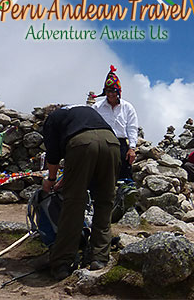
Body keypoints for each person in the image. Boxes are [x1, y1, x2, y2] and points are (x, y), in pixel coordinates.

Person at [41, 105, 120, 280]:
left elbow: (53, 155)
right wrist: (67, 177)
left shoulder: (52, 119)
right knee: (104, 201)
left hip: (82, 144)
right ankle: (98, 257)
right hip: (112, 143)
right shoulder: (82, 112)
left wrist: (51, 180)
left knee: (74, 204)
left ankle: (62, 263)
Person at [91, 65, 138, 181]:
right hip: (101, 144)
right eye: (108, 91)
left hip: (120, 144)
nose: (110, 94)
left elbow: (132, 128)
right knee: (99, 173)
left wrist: (132, 148)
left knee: (123, 174)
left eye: (113, 91)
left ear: (118, 92)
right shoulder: (97, 107)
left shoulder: (127, 107)